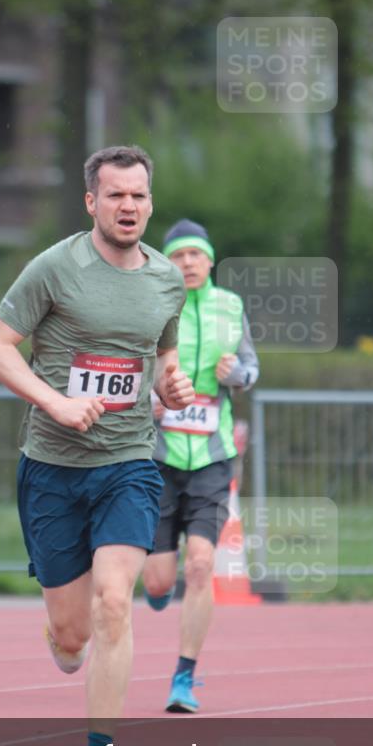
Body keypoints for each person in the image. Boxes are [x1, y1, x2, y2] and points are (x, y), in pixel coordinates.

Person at [0, 145, 194, 746]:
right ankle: (58, 630)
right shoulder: (54, 268)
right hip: (50, 468)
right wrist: (56, 401)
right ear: (91, 202)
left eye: (138, 195)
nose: (128, 206)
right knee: (73, 638)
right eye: (116, 195)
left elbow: (159, 355)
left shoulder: (166, 279)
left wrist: (172, 384)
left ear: (149, 202)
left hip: (128, 463)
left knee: (112, 604)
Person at [142, 218, 259, 714]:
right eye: (178, 255)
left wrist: (238, 374)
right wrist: (148, 398)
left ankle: (184, 678)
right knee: (158, 582)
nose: (187, 263)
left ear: (210, 260)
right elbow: (132, 367)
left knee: (202, 564)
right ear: (166, 263)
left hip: (211, 457)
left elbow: (251, 369)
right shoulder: (152, 305)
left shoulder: (230, 307)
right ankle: (156, 586)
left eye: (195, 254)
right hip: (159, 456)